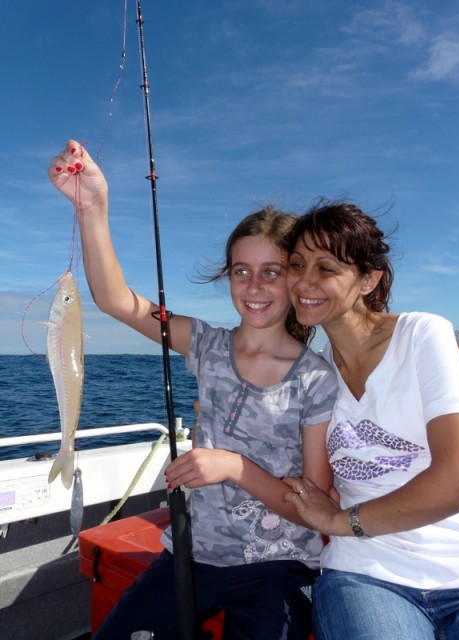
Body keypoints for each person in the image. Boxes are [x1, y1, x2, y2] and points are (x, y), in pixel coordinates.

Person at [48, 141, 338, 640]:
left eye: (271, 272)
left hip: (279, 566)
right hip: (190, 555)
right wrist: (91, 206)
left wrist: (234, 468)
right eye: (241, 271)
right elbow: (117, 300)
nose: (254, 286)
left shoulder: (317, 379)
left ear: (295, 281)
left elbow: (313, 506)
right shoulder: (204, 343)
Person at [284, 200, 459, 640]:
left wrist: (342, 523)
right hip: (365, 573)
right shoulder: (312, 375)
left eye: (326, 268)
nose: (304, 282)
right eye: (297, 265)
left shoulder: (420, 334)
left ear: (369, 278)